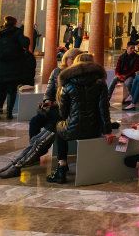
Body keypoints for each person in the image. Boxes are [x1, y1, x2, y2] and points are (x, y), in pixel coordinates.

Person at [48, 53, 115, 183]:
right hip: (94, 129)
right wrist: (107, 131)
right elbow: (104, 109)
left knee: (59, 129)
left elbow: (63, 112)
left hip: (73, 129)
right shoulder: (100, 83)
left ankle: (62, 166)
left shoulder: (67, 84)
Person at [28, 48, 82, 140]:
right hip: (54, 108)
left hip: (69, 110)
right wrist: (47, 101)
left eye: (76, 59)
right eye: (71, 58)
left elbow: (75, 99)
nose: (73, 61)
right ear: (66, 58)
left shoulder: (80, 74)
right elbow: (49, 92)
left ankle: (58, 153)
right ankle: (33, 146)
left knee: (56, 127)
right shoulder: (57, 71)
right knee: (34, 121)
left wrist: (54, 104)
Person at [0, 16, 29, 120]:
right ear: (15, 23)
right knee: (12, 90)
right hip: (14, 67)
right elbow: (25, 43)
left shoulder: (0, 34)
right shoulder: (17, 32)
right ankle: (9, 114)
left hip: (1, 67)